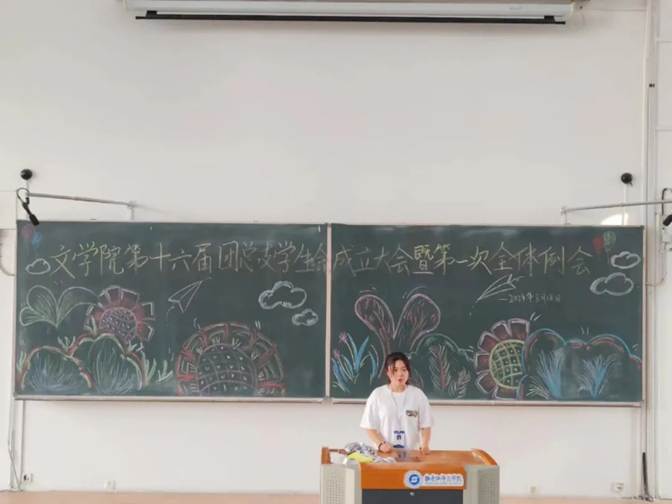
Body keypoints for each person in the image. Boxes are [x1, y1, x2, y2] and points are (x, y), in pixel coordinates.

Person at [360, 352, 433, 454]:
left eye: (404, 369)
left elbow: (426, 425)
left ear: (408, 372)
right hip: (385, 454)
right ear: (388, 372)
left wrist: (425, 445)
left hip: (412, 454)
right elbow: (369, 426)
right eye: (395, 370)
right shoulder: (377, 395)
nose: (400, 374)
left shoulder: (418, 395)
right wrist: (381, 444)